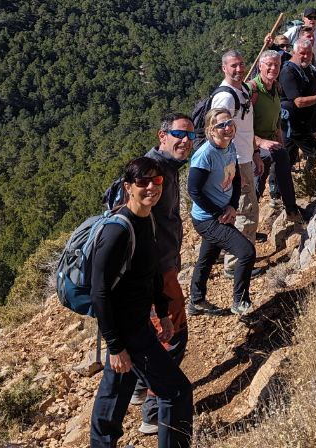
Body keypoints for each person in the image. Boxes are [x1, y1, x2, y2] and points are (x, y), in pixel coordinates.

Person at [90, 156, 194, 448]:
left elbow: (153, 274)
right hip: (128, 329)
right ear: (128, 187)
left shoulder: (147, 220)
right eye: (142, 182)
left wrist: (163, 313)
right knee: (176, 392)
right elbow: (100, 293)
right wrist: (115, 346)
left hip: (139, 322)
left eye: (156, 180)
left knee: (115, 393)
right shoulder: (117, 231)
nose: (151, 187)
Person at [131, 113, 195, 435]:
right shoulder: (153, 172)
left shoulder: (166, 167)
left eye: (190, 135)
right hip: (157, 270)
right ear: (162, 135)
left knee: (152, 331)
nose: (186, 141)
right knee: (173, 336)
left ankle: (139, 387)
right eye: (179, 134)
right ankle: (153, 414)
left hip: (158, 266)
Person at [187, 107, 255, 316]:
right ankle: (240, 302)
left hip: (222, 212)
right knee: (246, 252)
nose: (227, 128)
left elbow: (236, 179)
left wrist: (232, 205)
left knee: (207, 258)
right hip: (207, 218)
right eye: (221, 125)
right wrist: (219, 213)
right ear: (210, 130)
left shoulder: (230, 146)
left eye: (229, 122)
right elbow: (194, 191)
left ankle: (196, 301)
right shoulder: (205, 155)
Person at [209, 51, 263, 279]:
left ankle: (229, 254)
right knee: (245, 212)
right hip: (236, 163)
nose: (239, 69)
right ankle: (237, 264)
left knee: (237, 210)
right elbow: (218, 134)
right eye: (233, 66)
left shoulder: (241, 91)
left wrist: (256, 152)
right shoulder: (226, 98)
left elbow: (246, 129)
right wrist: (230, 165)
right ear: (224, 68)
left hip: (244, 157)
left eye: (241, 64)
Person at [249, 49, 305, 221]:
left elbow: (277, 121)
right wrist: (259, 143)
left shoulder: (276, 87)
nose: (273, 68)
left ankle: (291, 210)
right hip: (252, 144)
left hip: (270, 142)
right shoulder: (252, 89)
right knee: (257, 181)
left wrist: (280, 142)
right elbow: (241, 125)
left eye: (277, 65)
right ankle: (247, 223)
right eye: (269, 64)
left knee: (282, 159)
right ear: (260, 66)